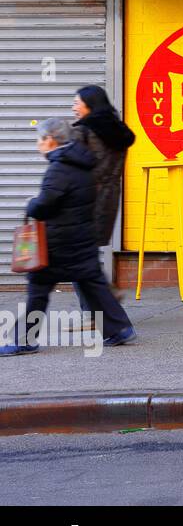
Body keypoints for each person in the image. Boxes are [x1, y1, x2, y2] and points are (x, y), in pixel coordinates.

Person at [1, 119, 135, 356]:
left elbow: (44, 205)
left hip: (58, 245)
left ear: (50, 140)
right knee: (94, 286)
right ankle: (119, 330)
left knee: (38, 290)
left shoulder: (59, 169)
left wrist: (31, 204)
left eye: (39, 140)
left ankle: (24, 340)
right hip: (82, 240)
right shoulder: (83, 165)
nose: (38, 145)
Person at [70, 85, 136, 248]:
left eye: (77, 103)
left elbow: (70, 171)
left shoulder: (82, 131)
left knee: (76, 252)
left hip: (83, 200)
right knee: (89, 251)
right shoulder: (119, 131)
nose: (74, 108)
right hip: (108, 199)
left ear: (90, 104)